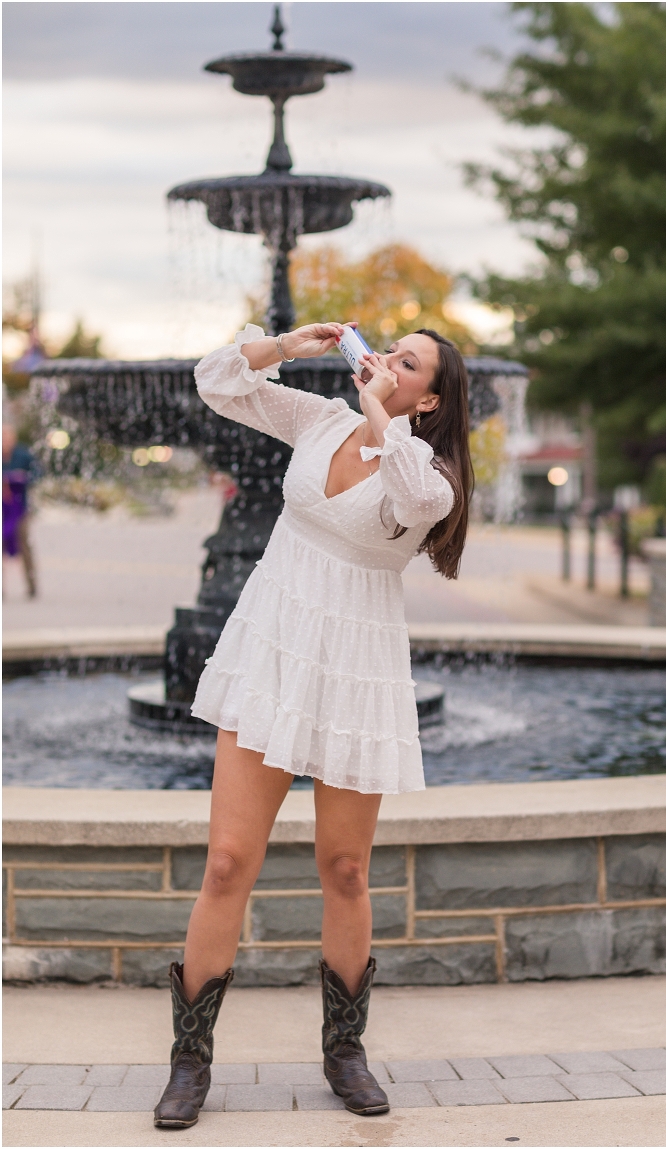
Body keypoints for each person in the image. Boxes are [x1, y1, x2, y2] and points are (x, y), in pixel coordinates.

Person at [153, 321, 473, 1129]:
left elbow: (414, 499)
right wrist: (288, 346)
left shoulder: (429, 472)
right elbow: (217, 382)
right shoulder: (321, 419)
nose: (385, 360)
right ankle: (190, 1060)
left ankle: (344, 1052)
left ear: (428, 399)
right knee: (227, 861)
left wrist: (379, 410)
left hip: (357, 669)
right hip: (272, 650)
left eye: (407, 362)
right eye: (388, 348)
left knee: (346, 869)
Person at [2, 424, 39, 598]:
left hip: (19, 507)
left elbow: (38, 472)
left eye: (7, 437)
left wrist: (23, 477)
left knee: (24, 545)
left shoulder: (23, 455)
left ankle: (32, 585)